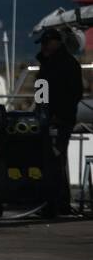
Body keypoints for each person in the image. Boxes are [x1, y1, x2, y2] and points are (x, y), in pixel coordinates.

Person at [35, 26, 85, 214]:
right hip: (48, 119)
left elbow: (73, 93)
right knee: (52, 161)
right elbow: (41, 89)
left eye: (46, 43)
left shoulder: (66, 64)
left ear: (55, 42)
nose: (44, 47)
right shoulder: (46, 64)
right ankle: (57, 201)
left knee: (54, 161)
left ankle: (54, 203)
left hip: (60, 120)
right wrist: (39, 111)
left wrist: (58, 114)